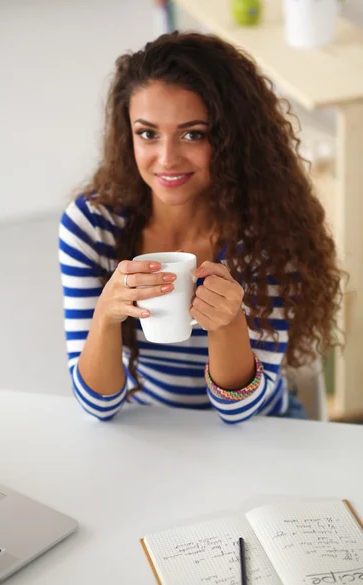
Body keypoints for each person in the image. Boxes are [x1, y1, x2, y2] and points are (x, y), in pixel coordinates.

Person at [59, 32, 342, 424]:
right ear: (128, 136)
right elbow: (98, 405)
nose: (167, 158)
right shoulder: (92, 226)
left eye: (194, 134)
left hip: (263, 431)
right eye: (148, 133)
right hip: (155, 426)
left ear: (231, 139)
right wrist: (106, 315)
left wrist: (228, 323)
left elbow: (238, 411)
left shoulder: (273, 233)